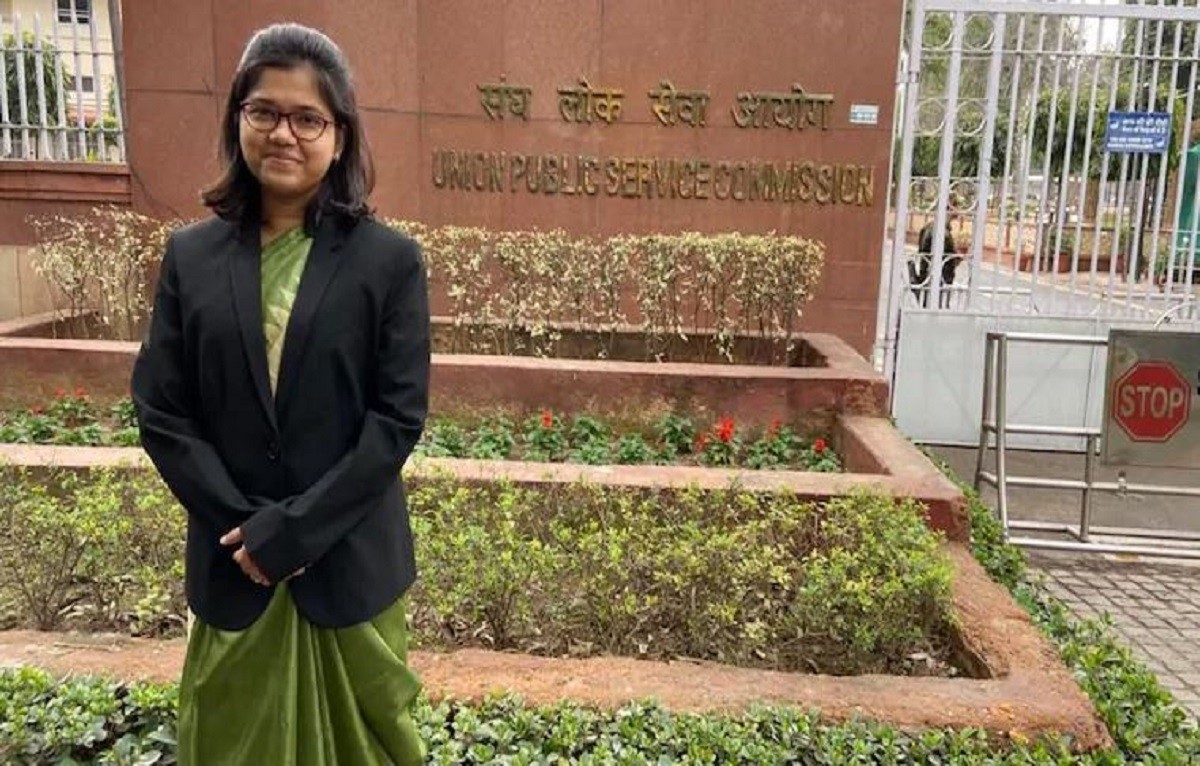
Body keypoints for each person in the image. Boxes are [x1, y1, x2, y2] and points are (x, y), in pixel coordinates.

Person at [130, 23, 429, 765]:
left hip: (349, 570)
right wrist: (248, 533)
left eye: (307, 118)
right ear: (238, 119)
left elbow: (395, 420)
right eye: (264, 111)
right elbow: (162, 411)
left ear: (340, 134)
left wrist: (296, 532)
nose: (283, 134)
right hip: (233, 565)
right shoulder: (191, 258)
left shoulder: (388, 263)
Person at [910, 210, 963, 309]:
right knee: (936, 305)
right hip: (940, 275)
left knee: (926, 302)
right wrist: (956, 257)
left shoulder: (927, 227)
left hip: (927, 271)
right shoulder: (942, 232)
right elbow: (945, 254)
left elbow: (922, 250)